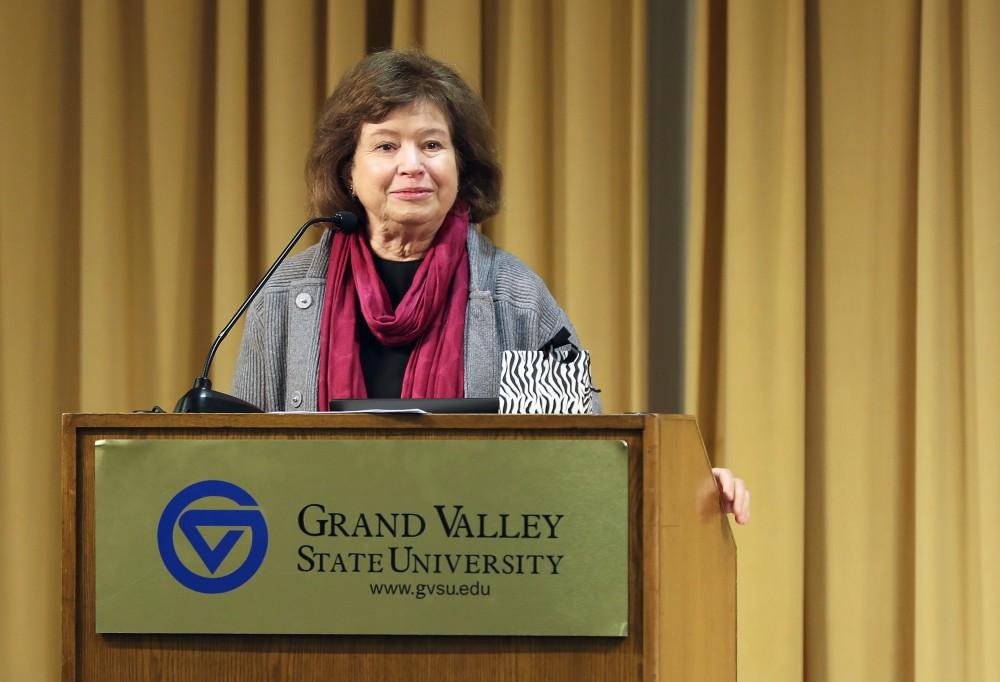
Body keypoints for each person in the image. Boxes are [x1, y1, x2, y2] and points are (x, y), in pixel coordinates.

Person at [232, 49, 749, 524]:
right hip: (313, 570)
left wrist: (686, 489)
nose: (412, 165)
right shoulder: (285, 294)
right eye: (386, 145)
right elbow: (236, 461)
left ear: (460, 164)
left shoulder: (515, 295)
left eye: (432, 144)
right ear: (348, 170)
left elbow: (580, 454)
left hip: (470, 575)